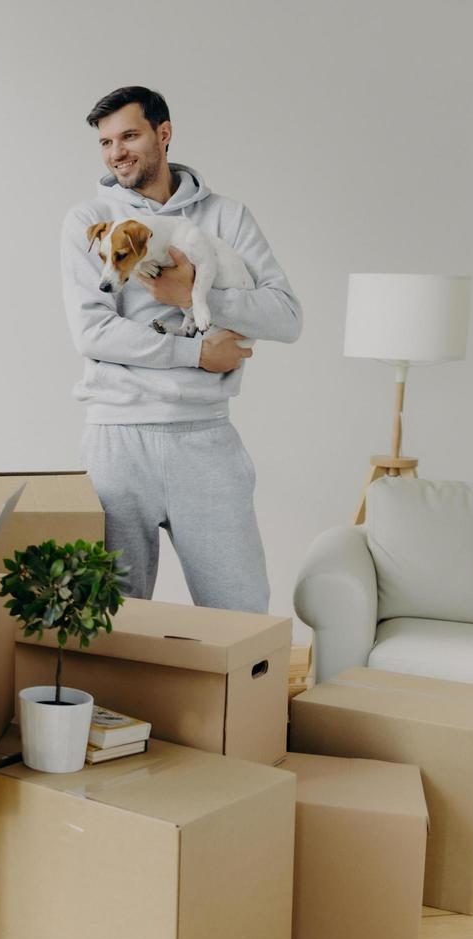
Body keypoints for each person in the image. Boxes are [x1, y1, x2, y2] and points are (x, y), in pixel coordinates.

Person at [59, 85, 302, 613]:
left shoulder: (226, 217)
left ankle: (240, 701)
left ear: (163, 134)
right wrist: (197, 355)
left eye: (129, 135)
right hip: (117, 440)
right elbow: (93, 333)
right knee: (107, 621)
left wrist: (193, 291)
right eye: (105, 142)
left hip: (205, 436)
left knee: (240, 614)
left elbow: (286, 316)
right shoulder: (89, 220)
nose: (116, 152)